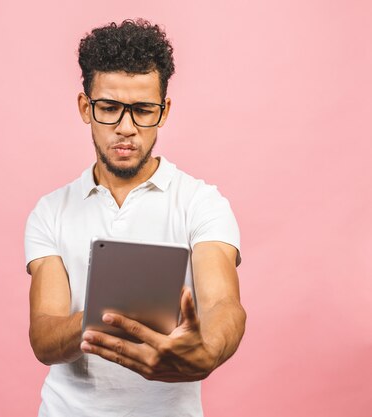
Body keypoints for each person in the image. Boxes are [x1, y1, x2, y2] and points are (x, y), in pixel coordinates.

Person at [24, 19, 246, 417]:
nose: (126, 128)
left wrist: (207, 350)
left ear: (163, 112)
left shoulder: (202, 203)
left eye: (143, 110)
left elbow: (224, 305)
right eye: (109, 108)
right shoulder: (50, 211)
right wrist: (111, 311)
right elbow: (44, 337)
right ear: (84, 107)